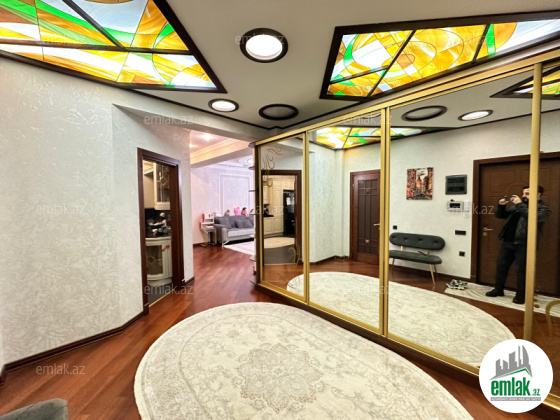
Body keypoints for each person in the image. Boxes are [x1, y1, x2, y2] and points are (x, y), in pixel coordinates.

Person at [486, 185, 551, 304]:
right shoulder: (518, 206)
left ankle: (521, 296)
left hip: (525, 244)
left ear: (538, 194)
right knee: (501, 267)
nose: (524, 196)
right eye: (523, 193)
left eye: (527, 194)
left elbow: (533, 217)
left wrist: (519, 204)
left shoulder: (543, 209)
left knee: (522, 271)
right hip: (507, 241)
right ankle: (498, 289)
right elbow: (500, 215)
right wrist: (501, 205)